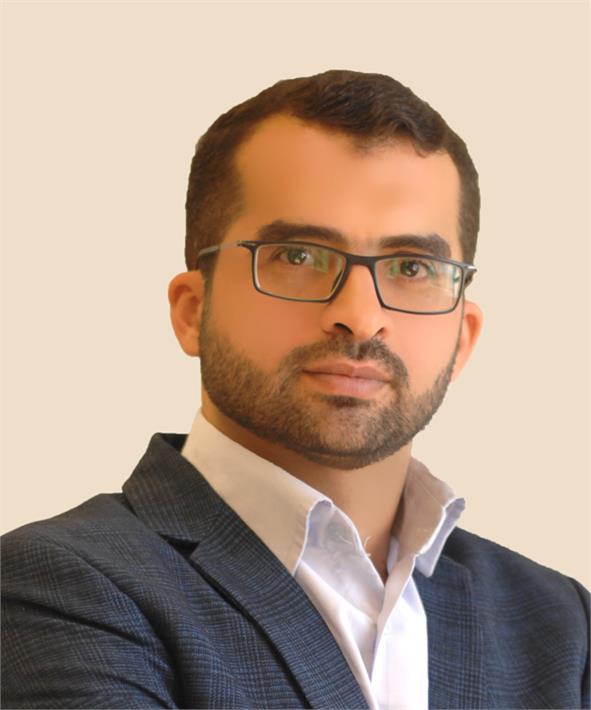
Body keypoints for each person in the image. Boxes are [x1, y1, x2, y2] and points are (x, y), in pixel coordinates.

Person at [1, 69, 588, 710]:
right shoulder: (56, 588)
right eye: (299, 257)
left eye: (412, 267)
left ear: (463, 338)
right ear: (194, 310)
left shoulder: (562, 624)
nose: (360, 316)